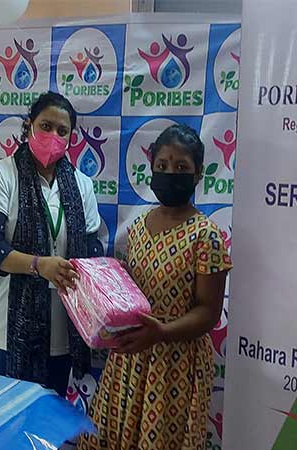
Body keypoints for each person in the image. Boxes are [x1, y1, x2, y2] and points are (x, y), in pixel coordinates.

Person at [78, 124, 232, 450]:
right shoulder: (138, 228)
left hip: (175, 363)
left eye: (181, 167)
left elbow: (209, 312)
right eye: (162, 165)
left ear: (198, 174)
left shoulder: (207, 236)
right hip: (131, 355)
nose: (170, 173)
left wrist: (161, 332)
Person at [0, 91, 103, 396]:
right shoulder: (2, 175)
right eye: (46, 126)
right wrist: (38, 265)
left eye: (62, 131)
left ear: (70, 138)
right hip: (5, 333)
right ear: (29, 126)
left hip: (62, 336)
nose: (53, 136)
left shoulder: (82, 185)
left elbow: (92, 250)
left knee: (47, 422)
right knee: (3, 419)